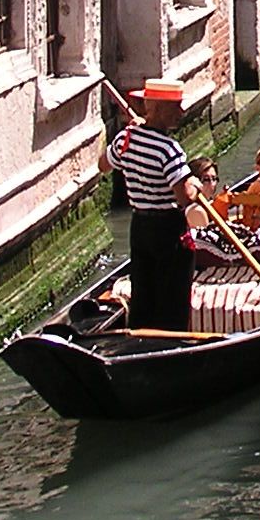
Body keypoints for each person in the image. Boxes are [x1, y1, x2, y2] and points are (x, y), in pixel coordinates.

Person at [100, 80, 202, 332]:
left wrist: (128, 135)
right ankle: (171, 339)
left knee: (144, 289)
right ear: (158, 109)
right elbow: (185, 197)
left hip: (141, 228)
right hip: (168, 231)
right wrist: (195, 183)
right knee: (173, 295)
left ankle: (140, 336)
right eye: (176, 107)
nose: (181, 112)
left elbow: (103, 164)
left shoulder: (126, 138)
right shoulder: (169, 150)